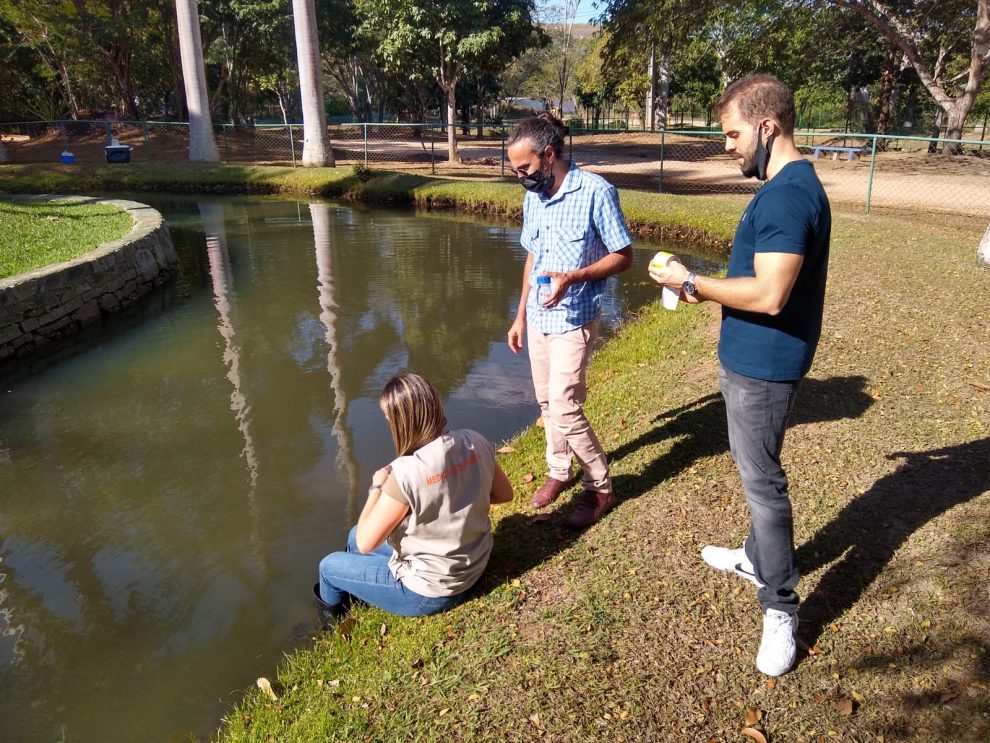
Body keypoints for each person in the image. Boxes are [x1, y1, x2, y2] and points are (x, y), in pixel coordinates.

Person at [649, 74, 831, 676]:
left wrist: (689, 283)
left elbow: (773, 294)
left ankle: (780, 606)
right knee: (758, 470)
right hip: (753, 362)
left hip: (765, 367)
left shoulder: (785, 195)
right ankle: (757, 556)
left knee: (764, 486)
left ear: (766, 126)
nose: (727, 146)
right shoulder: (789, 184)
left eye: (732, 134)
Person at [505, 112, 633, 529]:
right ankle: (558, 469)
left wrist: (574, 277)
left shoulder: (596, 191)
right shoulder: (533, 197)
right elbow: (532, 257)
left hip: (575, 317)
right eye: (515, 171)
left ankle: (600, 487)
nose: (521, 176)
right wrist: (519, 316)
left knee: (564, 405)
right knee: (546, 402)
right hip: (539, 318)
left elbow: (623, 256)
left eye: (524, 168)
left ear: (548, 154)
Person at [314, 373, 514, 624]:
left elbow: (367, 543)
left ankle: (331, 629)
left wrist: (377, 486)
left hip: (431, 591)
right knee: (353, 536)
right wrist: (454, 501)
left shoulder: (406, 473)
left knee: (329, 566)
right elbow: (505, 494)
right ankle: (362, 591)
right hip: (475, 562)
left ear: (402, 421)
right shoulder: (474, 440)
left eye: (388, 418)